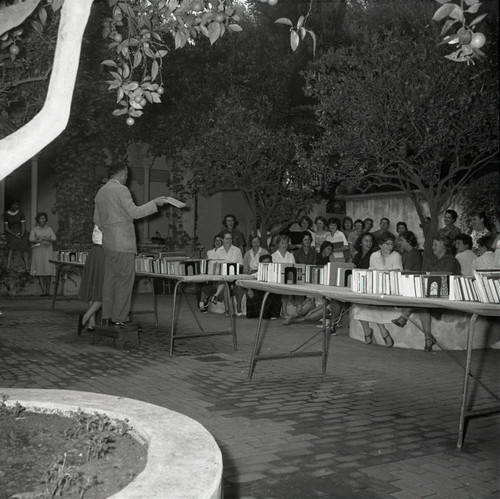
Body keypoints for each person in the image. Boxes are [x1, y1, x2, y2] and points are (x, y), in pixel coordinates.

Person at [94, 162, 172, 326]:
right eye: (127, 175)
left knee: (110, 280)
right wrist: (154, 203)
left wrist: (109, 230)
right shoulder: (121, 190)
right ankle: (120, 318)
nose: (127, 178)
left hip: (108, 242)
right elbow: (135, 212)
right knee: (124, 280)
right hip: (123, 243)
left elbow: (97, 221)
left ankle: (107, 315)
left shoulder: (101, 192)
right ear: (122, 174)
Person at [354, 232, 402, 348]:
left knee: (377, 303)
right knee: (359, 302)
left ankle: (382, 329)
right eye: (387, 244)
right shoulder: (374, 256)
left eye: (392, 244)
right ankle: (368, 330)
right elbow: (371, 274)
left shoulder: (396, 256)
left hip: (391, 290)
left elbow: (396, 275)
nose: (390, 246)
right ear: (380, 245)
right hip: (376, 288)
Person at [416, 237, 461, 352]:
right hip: (431, 291)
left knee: (421, 301)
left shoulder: (451, 260)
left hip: (447, 292)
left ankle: (405, 316)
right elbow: (424, 275)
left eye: (436, 245)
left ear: (444, 246)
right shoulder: (430, 259)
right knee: (421, 302)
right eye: (433, 245)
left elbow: (445, 278)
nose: (433, 247)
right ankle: (428, 338)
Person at [77, 225, 105, 332]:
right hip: (103, 252)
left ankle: (91, 323)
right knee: (104, 289)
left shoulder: (100, 215)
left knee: (95, 289)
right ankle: (85, 318)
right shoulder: (106, 216)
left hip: (96, 251)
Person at [212, 230, 244, 315]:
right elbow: (216, 266)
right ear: (222, 240)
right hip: (223, 276)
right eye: (226, 239)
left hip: (234, 275)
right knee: (225, 283)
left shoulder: (237, 250)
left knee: (227, 282)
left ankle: (216, 295)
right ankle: (227, 310)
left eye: (230, 239)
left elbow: (241, 265)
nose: (229, 241)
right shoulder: (218, 251)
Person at [245, 254, 282, 320]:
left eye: (268, 262)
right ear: (260, 264)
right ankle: (259, 314)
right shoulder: (257, 274)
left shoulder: (276, 273)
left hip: (271, 290)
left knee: (274, 293)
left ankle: (271, 314)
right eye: (264, 263)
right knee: (253, 293)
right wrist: (249, 290)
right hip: (259, 291)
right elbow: (247, 280)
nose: (266, 265)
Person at [29, 212, 57, 296]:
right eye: (41, 218)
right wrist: (38, 240)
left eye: (44, 218)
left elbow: (54, 238)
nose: (43, 220)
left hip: (47, 249)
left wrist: (47, 238)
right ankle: (43, 291)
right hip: (38, 249)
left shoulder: (49, 229)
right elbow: (31, 238)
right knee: (40, 269)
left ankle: (48, 291)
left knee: (48, 270)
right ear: (38, 219)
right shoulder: (35, 229)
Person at [2, 199, 30, 272]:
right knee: (12, 244)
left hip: (21, 231)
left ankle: (27, 266)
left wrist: (22, 234)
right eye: (15, 205)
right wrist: (14, 234)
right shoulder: (6, 214)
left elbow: (23, 225)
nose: (16, 206)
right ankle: (8, 265)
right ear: (11, 205)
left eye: (17, 205)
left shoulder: (21, 213)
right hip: (11, 232)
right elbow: (6, 228)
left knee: (24, 244)